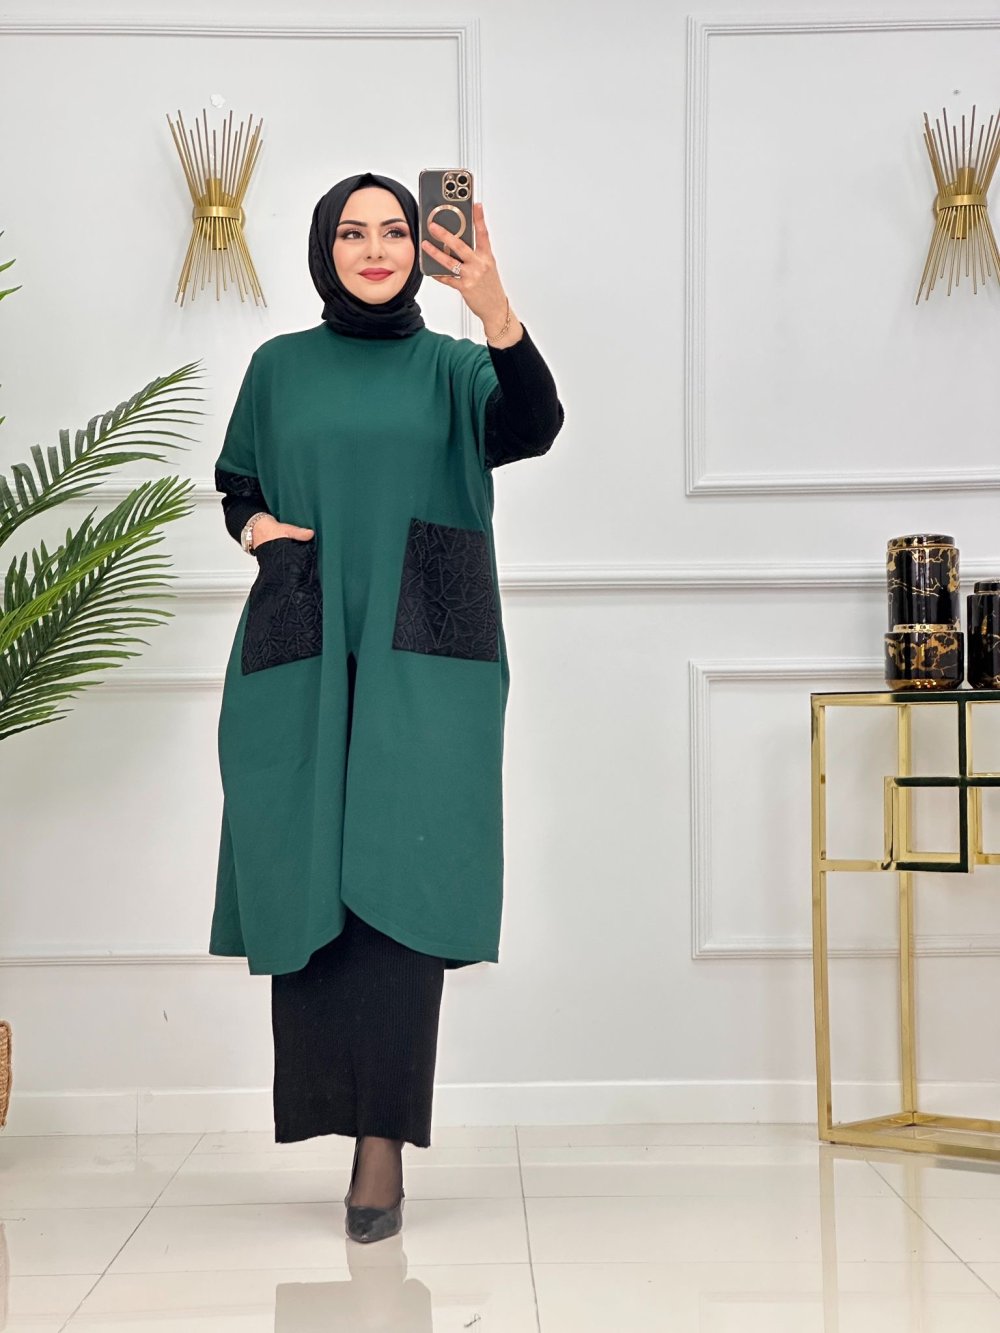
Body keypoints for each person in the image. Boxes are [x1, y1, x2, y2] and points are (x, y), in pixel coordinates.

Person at [209, 170, 564, 1242]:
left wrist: (494, 305)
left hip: (429, 644)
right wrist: (257, 532)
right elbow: (237, 482)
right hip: (305, 631)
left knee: (403, 874)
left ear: (421, 248)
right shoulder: (278, 367)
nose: (375, 248)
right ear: (325, 249)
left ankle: (382, 1149)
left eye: (395, 230)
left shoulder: (456, 367)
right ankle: (332, 1110)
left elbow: (536, 423)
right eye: (353, 232)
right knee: (310, 866)